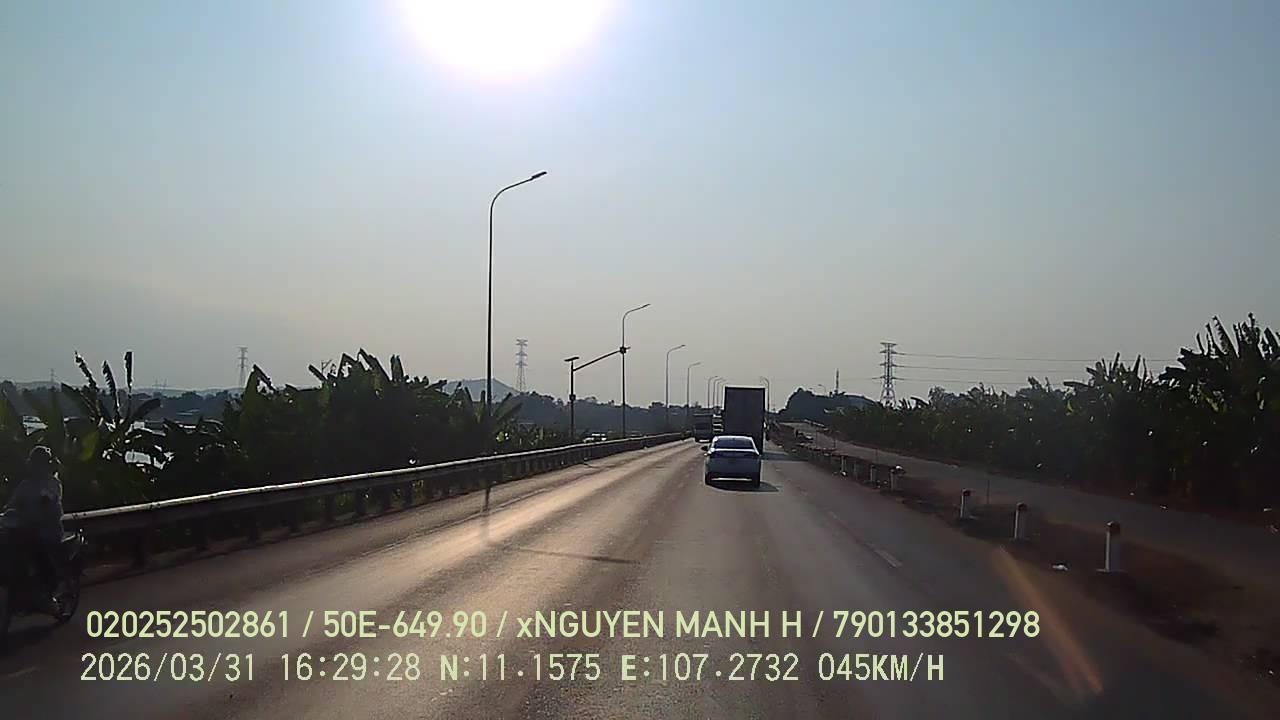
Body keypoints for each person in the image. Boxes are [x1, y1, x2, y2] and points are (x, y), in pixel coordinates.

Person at [1, 445, 66, 594]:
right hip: (26, 529)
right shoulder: (25, 485)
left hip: (48, 530)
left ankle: (51, 588)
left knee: (39, 551)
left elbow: (51, 501)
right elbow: (11, 504)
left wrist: (45, 504)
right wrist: (7, 511)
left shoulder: (53, 483)